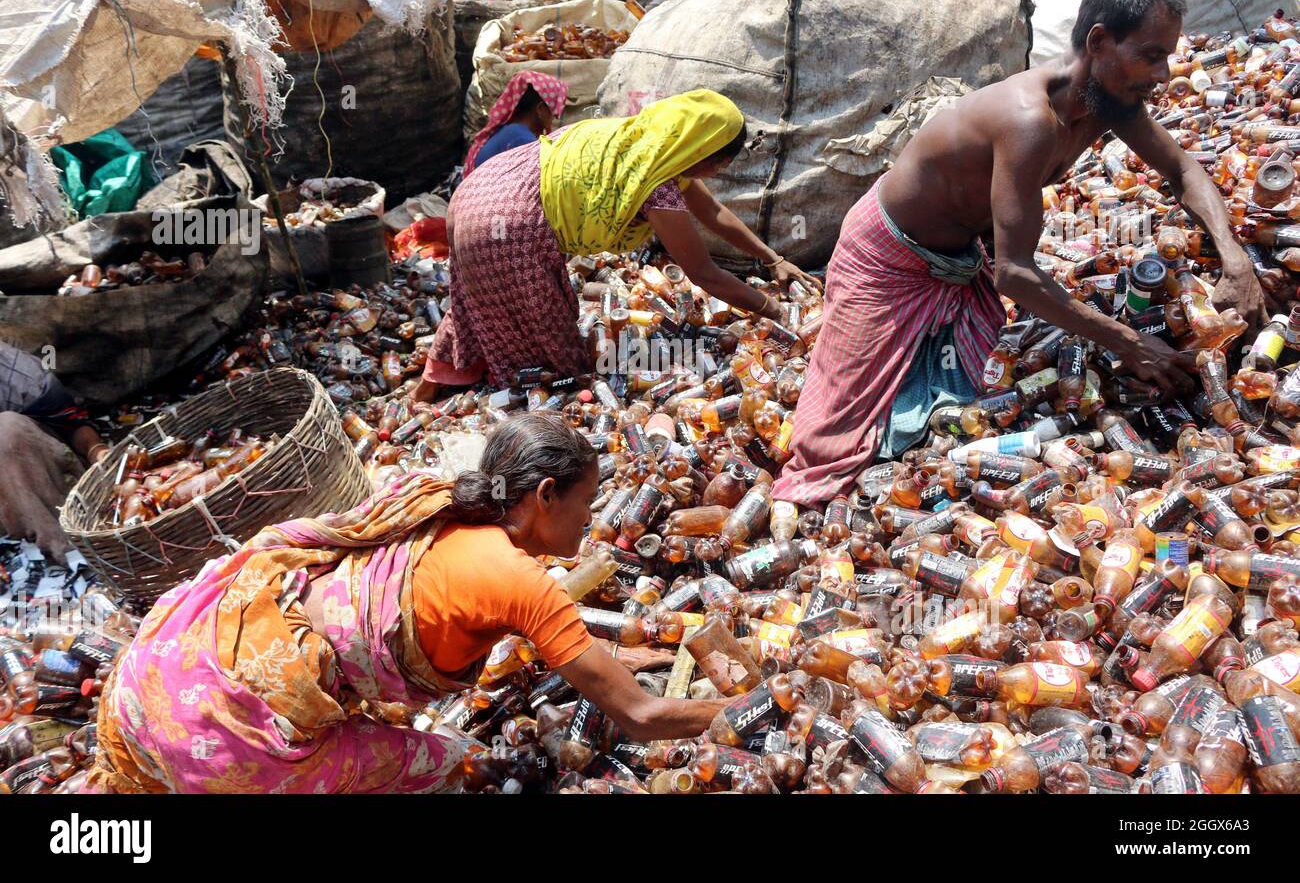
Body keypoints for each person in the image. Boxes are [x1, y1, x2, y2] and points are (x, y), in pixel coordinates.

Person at [773, 0, 1268, 506]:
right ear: (1099, 42)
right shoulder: (1029, 120)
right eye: (1151, 55)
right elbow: (1014, 273)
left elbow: (1184, 171)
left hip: (961, 257)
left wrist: (1236, 259)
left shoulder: (1110, 104)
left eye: (1167, 56)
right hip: (887, 255)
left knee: (968, 403)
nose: (1164, 73)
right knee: (832, 447)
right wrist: (1127, 342)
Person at [87, 413, 723, 793]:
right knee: (451, 762)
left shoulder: (435, 502)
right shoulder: (522, 582)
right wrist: (748, 703)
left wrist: (610, 656)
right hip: (225, 735)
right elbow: (640, 717)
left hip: (167, 666)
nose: (590, 525)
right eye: (585, 506)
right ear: (547, 495)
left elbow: (499, 623)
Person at [415, 89, 820, 396]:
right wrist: (776, 313)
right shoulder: (655, 183)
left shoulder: (645, 143)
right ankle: (509, 415)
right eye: (720, 162)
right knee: (554, 361)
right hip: (506, 222)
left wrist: (772, 259)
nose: (717, 172)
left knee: (479, 298)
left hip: (480, 193)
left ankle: (432, 389)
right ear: (702, 149)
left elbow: (712, 212)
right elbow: (702, 273)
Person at [0, 340, 107, 563]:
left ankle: (71, 556)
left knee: (7, 431)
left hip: (36, 489)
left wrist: (96, 451)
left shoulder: (14, 374)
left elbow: (72, 425)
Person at [463, 72, 568, 178]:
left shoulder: (511, 131)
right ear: (540, 110)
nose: (554, 117)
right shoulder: (521, 140)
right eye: (553, 112)